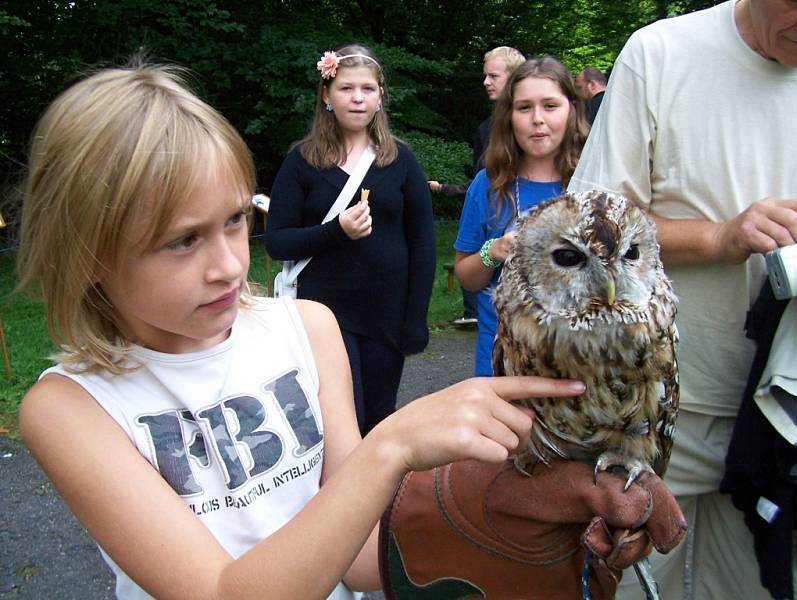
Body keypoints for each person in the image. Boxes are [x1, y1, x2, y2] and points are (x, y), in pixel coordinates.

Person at [16, 61, 678, 600]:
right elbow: (223, 592)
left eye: (234, 222)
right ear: (89, 253)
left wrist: (501, 518)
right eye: (182, 241)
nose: (228, 264)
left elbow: (360, 555)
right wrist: (391, 446)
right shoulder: (72, 407)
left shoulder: (304, 326)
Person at [568, 0, 797, 598]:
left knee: (763, 586)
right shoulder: (662, 53)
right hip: (658, 408)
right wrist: (719, 237)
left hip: (787, 414)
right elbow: (588, 225)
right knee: (637, 585)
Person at [265, 45, 435, 436]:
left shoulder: (401, 161)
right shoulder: (302, 161)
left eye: (367, 89)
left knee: (378, 419)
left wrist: (414, 321)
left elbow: (423, 246)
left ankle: (383, 497)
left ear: (380, 97)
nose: (357, 98)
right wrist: (336, 230)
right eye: (346, 88)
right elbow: (277, 242)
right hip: (324, 317)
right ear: (326, 96)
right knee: (341, 423)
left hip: (386, 317)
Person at [454, 56, 588, 376]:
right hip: (503, 358)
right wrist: (494, 250)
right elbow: (466, 276)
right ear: (509, 116)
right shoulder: (488, 184)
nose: (537, 119)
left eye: (550, 106)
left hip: (578, 361)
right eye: (525, 108)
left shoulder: (593, 181)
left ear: (572, 110)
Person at [429, 46, 525, 327]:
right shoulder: (486, 130)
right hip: (492, 245)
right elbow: (482, 183)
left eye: (493, 76)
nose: (485, 82)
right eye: (485, 76)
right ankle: (472, 314)